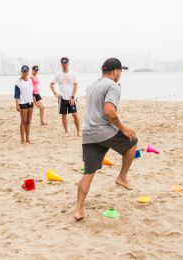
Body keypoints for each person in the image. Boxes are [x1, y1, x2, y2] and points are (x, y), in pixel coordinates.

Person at [74, 58, 138, 221]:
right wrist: (124, 129)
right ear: (116, 71)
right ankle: (122, 177)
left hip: (88, 133)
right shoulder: (113, 86)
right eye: (120, 72)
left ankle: (78, 210)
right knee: (132, 141)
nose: (120, 75)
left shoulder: (91, 86)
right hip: (103, 131)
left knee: (88, 173)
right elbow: (109, 112)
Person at [50, 57, 81, 136]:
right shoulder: (58, 74)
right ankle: (66, 131)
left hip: (71, 98)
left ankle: (78, 131)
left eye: (66, 64)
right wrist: (55, 94)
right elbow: (51, 85)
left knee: (75, 114)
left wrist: (73, 97)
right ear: (61, 64)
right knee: (64, 115)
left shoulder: (73, 74)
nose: (64, 65)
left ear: (68, 64)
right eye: (63, 64)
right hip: (62, 98)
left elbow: (75, 86)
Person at [15, 65, 34, 144]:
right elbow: (17, 94)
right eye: (23, 71)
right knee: (23, 121)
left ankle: (27, 139)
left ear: (28, 72)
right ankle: (22, 139)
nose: (25, 73)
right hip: (23, 102)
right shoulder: (18, 82)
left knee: (28, 121)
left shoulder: (30, 80)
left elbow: (32, 91)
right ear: (21, 72)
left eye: (26, 71)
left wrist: (34, 99)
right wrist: (17, 104)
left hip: (30, 102)